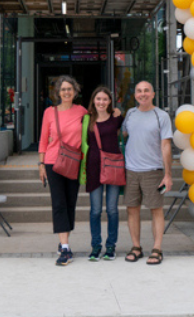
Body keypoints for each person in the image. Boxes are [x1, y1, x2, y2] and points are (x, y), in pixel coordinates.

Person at [121, 80, 173, 265]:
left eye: (146, 91)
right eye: (139, 91)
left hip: (154, 171)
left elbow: (166, 146)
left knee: (156, 210)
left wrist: (167, 174)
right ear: (135, 95)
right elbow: (124, 135)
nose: (142, 94)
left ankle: (157, 249)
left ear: (152, 94)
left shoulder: (161, 116)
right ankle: (136, 247)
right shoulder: (130, 114)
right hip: (131, 171)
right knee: (131, 210)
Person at [38, 75, 87, 266]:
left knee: (70, 202)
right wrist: (41, 165)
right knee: (58, 203)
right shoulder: (50, 112)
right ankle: (65, 247)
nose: (66, 92)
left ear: (75, 91)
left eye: (70, 89)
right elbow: (43, 140)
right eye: (63, 89)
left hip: (73, 162)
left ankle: (64, 240)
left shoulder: (82, 111)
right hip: (53, 162)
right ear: (58, 92)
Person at [80, 86, 124, 261]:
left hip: (113, 167)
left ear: (110, 102)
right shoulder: (87, 120)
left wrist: (117, 112)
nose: (101, 102)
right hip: (93, 168)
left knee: (112, 210)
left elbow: (124, 134)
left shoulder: (117, 118)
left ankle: (111, 246)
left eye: (105, 99)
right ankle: (96, 246)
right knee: (95, 210)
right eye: (98, 99)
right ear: (93, 101)